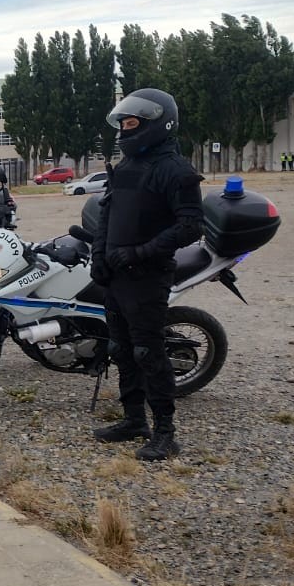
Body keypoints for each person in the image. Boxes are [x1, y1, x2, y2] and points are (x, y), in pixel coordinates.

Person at [90, 88, 205, 461]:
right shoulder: (125, 167)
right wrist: (99, 255)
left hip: (148, 276)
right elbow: (107, 213)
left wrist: (139, 253)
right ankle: (133, 420)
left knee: (148, 352)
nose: (125, 130)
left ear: (158, 124)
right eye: (122, 123)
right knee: (120, 349)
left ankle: (166, 433)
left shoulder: (176, 170)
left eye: (132, 123)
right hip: (116, 276)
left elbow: (190, 227)